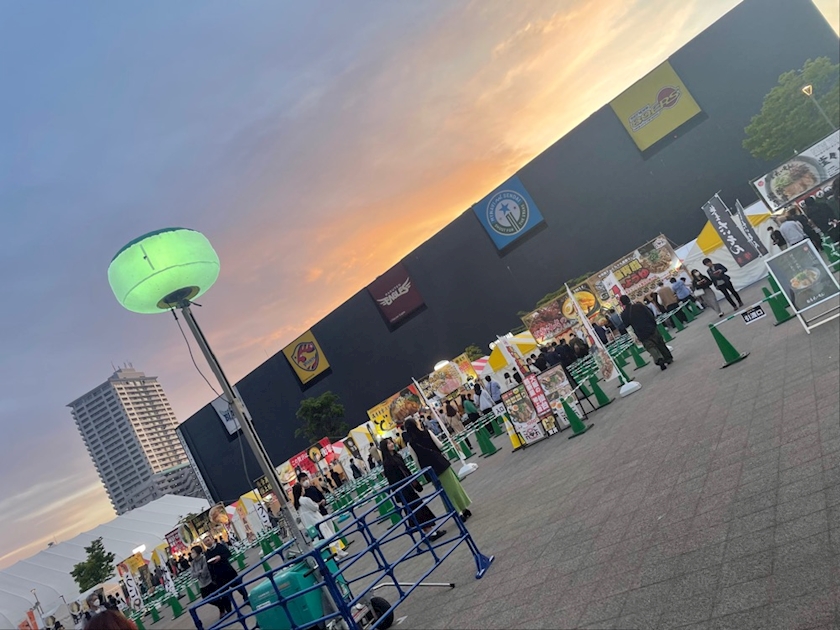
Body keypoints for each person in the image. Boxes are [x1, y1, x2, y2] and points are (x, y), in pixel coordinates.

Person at [403, 418, 472, 521]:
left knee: (444, 492)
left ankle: (457, 512)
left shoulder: (411, 444)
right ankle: (463, 508)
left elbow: (416, 461)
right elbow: (440, 445)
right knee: (454, 487)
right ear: (416, 424)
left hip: (430, 471)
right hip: (441, 463)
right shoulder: (427, 432)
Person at [379, 437, 447, 540]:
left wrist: (415, 482)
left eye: (391, 442)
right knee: (416, 510)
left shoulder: (397, 456)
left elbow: (406, 470)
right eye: (388, 444)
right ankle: (430, 532)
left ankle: (429, 531)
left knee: (418, 508)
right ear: (385, 447)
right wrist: (399, 493)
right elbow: (392, 480)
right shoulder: (387, 463)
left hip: (408, 486)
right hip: (403, 489)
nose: (391, 444)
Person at [620, 295, 673, 370]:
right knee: (659, 342)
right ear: (629, 299)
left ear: (622, 303)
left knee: (650, 346)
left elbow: (626, 324)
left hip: (640, 332)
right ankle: (668, 358)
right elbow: (649, 313)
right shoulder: (639, 306)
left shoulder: (624, 314)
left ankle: (658, 359)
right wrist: (653, 323)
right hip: (650, 327)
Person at [205, 537, 249, 608]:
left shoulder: (220, 546)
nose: (207, 542)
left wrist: (220, 557)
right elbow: (208, 566)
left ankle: (247, 599)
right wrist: (213, 578)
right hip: (219, 576)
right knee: (224, 594)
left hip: (228, 571)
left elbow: (228, 553)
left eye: (208, 540)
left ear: (212, 540)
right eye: (205, 542)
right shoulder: (207, 553)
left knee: (239, 586)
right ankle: (228, 609)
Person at [190, 545, 231, 617]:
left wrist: (199, 573)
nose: (191, 554)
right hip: (202, 584)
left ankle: (223, 609)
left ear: (198, 552)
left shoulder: (204, 558)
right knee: (206, 599)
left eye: (193, 552)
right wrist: (199, 572)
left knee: (216, 595)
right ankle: (222, 605)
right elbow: (192, 575)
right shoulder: (193, 563)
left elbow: (204, 572)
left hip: (210, 581)